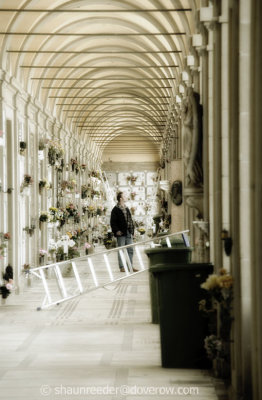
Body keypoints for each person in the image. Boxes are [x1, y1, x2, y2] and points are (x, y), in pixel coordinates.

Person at [110, 192, 138, 272]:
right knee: (121, 249)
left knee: (130, 249)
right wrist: (117, 231)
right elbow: (113, 222)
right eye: (124, 196)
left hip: (128, 232)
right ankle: (122, 267)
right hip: (121, 233)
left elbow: (130, 220)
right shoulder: (115, 210)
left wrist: (132, 231)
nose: (126, 197)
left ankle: (130, 266)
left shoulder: (126, 208)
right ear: (120, 198)